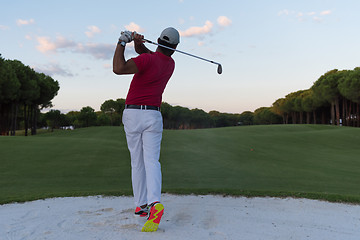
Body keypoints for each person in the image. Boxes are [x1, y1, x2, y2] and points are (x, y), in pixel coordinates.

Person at [112, 27, 180, 232]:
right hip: (153, 116)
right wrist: (138, 43)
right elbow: (148, 54)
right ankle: (152, 204)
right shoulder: (169, 63)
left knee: (137, 161)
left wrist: (122, 42)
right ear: (175, 48)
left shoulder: (147, 61)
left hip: (133, 114)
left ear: (158, 40)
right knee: (151, 160)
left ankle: (142, 204)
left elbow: (118, 68)